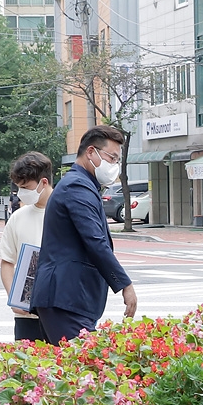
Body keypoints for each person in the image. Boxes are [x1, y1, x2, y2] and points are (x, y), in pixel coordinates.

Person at [31, 126, 137, 344]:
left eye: (117, 160)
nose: (114, 165)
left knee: (72, 372)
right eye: (111, 157)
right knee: (84, 372)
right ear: (91, 152)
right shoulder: (77, 186)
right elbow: (96, 242)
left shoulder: (82, 184)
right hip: (65, 298)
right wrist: (124, 284)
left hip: (68, 298)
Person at [0, 152, 53, 342]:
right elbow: (7, 261)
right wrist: (13, 296)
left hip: (60, 313)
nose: (21, 193)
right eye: (19, 188)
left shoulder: (66, 212)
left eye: (26, 187)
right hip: (26, 317)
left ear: (43, 182)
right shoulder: (17, 218)